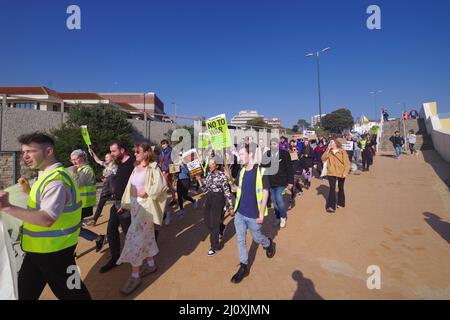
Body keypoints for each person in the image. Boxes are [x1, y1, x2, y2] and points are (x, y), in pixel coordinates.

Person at [0, 132, 91, 300]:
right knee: (23, 293)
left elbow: (47, 218)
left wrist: (7, 208)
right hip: (39, 250)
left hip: (55, 254)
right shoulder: (46, 176)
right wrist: (26, 191)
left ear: (48, 151)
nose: (25, 156)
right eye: (23, 152)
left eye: (30, 151)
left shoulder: (55, 181)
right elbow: (42, 204)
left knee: (74, 294)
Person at [117, 143, 167, 295]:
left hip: (146, 208)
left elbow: (161, 186)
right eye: (134, 151)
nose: (135, 153)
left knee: (134, 239)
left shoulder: (153, 167)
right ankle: (151, 264)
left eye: (138, 151)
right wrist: (124, 204)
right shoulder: (135, 167)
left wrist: (145, 190)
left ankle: (135, 275)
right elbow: (129, 188)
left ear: (146, 153)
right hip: (135, 207)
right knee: (147, 237)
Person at [230, 144, 276, 284]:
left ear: (250, 155)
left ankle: (268, 243)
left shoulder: (261, 171)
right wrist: (230, 183)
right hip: (240, 213)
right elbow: (237, 188)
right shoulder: (241, 171)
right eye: (240, 154)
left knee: (257, 237)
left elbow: (266, 192)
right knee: (240, 240)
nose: (241, 157)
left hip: (253, 215)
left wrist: (261, 214)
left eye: (243, 154)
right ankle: (244, 266)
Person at [100, 141, 135, 273]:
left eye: (114, 151)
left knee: (129, 232)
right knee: (111, 230)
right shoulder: (120, 163)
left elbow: (136, 185)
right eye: (111, 151)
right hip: (117, 202)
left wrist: (127, 204)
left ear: (122, 150)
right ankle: (115, 257)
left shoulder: (133, 163)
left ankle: (138, 260)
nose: (111, 154)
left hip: (127, 203)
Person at [69, 150, 105, 253]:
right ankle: (98, 238)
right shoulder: (80, 170)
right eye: (72, 160)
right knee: (74, 228)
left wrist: (74, 173)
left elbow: (78, 184)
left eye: (76, 159)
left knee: (73, 228)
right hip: (78, 204)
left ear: (83, 157)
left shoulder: (86, 170)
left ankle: (98, 238)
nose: (74, 161)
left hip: (84, 205)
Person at [203, 158, 234, 257]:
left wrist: (230, 206)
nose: (210, 165)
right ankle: (222, 226)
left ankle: (214, 246)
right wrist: (199, 180)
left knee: (214, 224)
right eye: (210, 163)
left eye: (212, 164)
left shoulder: (222, 176)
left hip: (218, 200)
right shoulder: (208, 175)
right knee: (207, 221)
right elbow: (204, 189)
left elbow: (227, 192)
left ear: (216, 165)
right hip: (209, 199)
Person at [265, 138, 294, 228]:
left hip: (282, 181)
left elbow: (290, 168)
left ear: (278, 145)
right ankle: (277, 217)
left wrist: (290, 182)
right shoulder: (267, 154)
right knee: (274, 201)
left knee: (279, 199)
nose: (273, 146)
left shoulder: (285, 154)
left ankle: (283, 217)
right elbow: (264, 167)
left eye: (275, 144)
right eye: (271, 144)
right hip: (271, 182)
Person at [87, 147, 117, 225]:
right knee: (100, 205)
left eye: (107, 157)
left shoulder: (115, 167)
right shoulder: (105, 165)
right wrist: (92, 152)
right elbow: (97, 160)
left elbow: (115, 178)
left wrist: (109, 178)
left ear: (111, 158)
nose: (105, 158)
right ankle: (94, 220)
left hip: (113, 189)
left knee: (118, 204)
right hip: (106, 189)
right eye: (105, 157)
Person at [321, 138, 350, 213]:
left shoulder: (342, 151)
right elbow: (323, 158)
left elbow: (347, 163)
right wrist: (327, 150)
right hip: (331, 172)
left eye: (332, 143)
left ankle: (341, 203)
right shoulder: (329, 152)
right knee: (332, 188)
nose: (330, 144)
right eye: (330, 143)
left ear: (336, 144)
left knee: (340, 188)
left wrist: (345, 172)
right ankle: (331, 206)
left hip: (341, 172)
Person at [176, 151, 197, 216]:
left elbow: (188, 172)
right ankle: (182, 210)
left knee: (184, 196)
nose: (180, 156)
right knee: (179, 195)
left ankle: (193, 201)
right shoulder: (178, 163)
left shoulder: (187, 162)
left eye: (181, 155)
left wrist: (183, 165)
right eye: (179, 155)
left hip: (185, 180)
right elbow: (175, 172)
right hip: (179, 180)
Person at [158, 140, 177, 206]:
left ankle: (164, 201)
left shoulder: (170, 151)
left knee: (164, 185)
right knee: (169, 185)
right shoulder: (162, 152)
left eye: (164, 144)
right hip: (163, 170)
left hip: (167, 170)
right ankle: (174, 198)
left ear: (167, 144)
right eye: (162, 144)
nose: (163, 145)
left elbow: (172, 160)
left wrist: (166, 168)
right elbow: (160, 159)